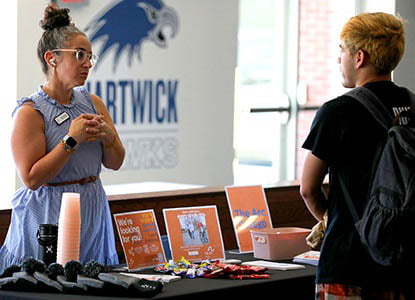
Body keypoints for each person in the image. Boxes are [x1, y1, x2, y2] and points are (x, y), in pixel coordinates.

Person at [0, 3, 125, 272]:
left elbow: (115, 162)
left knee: (93, 282)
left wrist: (109, 138)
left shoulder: (93, 102)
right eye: (79, 55)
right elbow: (32, 178)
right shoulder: (30, 111)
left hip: (91, 207)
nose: (88, 64)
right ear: (52, 59)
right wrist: (71, 140)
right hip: (48, 215)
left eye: (91, 56)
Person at [300, 12, 414, 299]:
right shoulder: (412, 106)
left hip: (347, 264)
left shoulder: (337, 111)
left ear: (359, 57)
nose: (339, 59)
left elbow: (308, 189)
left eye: (342, 51)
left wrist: (328, 219)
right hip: (402, 263)